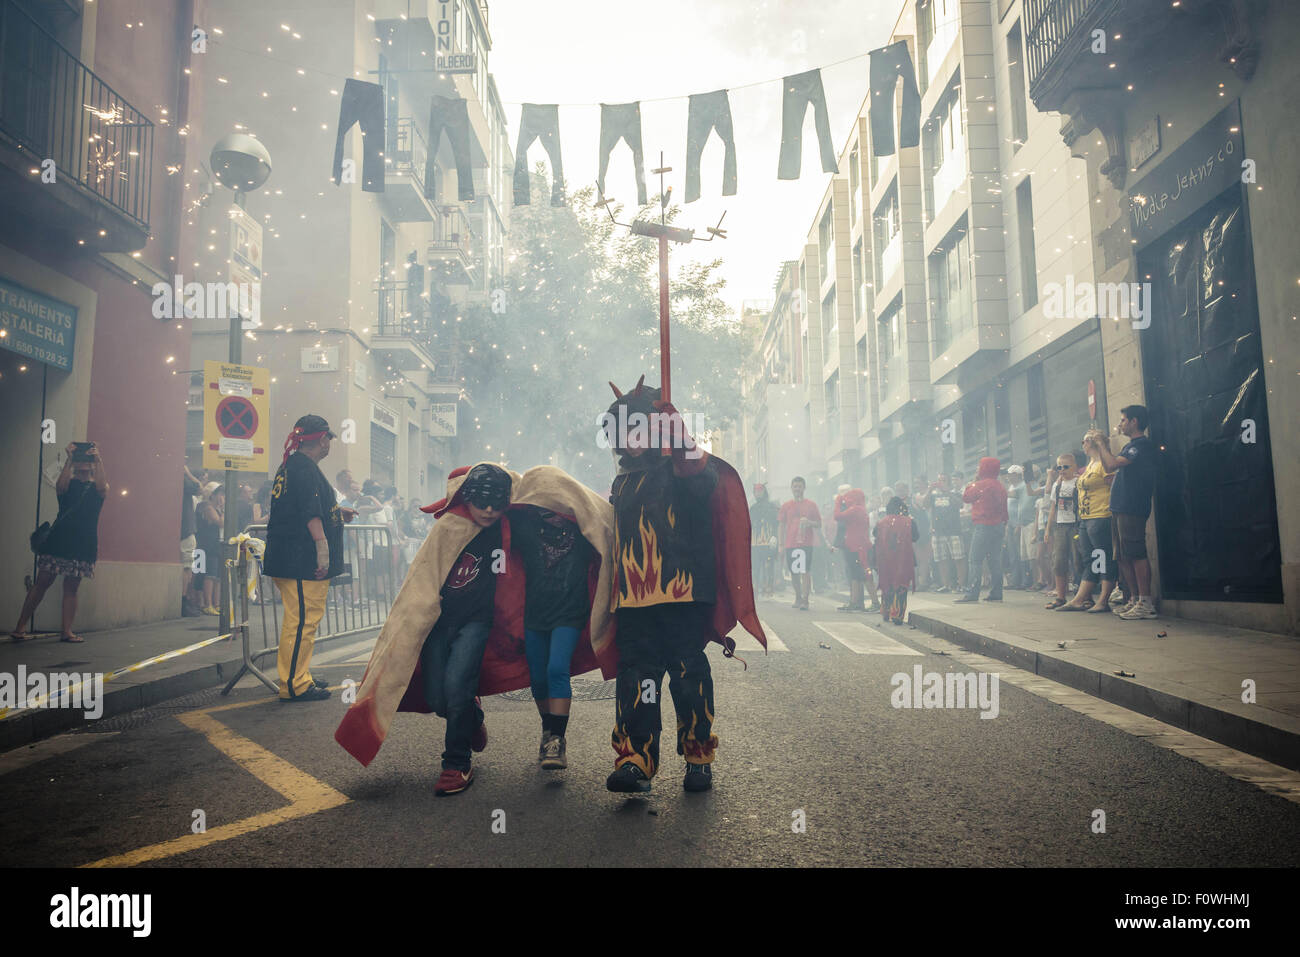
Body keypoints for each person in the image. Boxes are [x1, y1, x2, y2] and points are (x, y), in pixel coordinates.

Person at [334, 461, 618, 793]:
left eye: (496, 503)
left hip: (485, 622)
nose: (487, 510)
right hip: (441, 623)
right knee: (439, 697)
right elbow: (423, 579)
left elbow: (554, 493)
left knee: (459, 688)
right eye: (480, 501)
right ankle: (473, 718)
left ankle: (457, 763)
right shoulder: (454, 526)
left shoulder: (515, 522)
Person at [601, 377, 765, 795]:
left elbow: (702, 479)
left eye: (639, 428)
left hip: (683, 593)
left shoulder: (680, 467)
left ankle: (697, 755)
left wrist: (683, 439)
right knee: (637, 675)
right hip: (634, 599)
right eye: (624, 431)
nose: (630, 439)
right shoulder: (622, 480)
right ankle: (636, 757)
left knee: (687, 672)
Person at [261, 415, 356, 702]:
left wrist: (337, 514)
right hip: (301, 560)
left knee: (304, 621)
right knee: (301, 622)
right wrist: (323, 553)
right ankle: (294, 684)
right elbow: (309, 514)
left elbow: (305, 508)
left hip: (294, 557)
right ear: (321, 439)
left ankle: (299, 675)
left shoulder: (293, 465)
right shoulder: (303, 468)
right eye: (328, 438)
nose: (329, 445)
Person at [510, 503, 597, 770]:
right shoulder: (526, 528)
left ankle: (556, 741)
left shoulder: (583, 530)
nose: (553, 515)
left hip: (570, 612)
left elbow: (605, 526)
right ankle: (549, 731)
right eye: (546, 509)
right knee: (537, 676)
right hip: (535, 613)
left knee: (556, 669)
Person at [11, 442, 109, 642]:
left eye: (86, 459)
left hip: (83, 543)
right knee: (42, 582)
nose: (83, 463)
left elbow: (102, 487)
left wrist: (98, 459)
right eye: (80, 459)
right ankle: (20, 626)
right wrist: (70, 459)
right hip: (59, 540)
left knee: (72, 587)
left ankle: (67, 631)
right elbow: (60, 487)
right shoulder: (69, 482)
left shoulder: (98, 486)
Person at [1096, 405, 1159, 620]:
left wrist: (1102, 445)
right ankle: (1132, 598)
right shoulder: (1130, 446)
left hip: (1132, 506)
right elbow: (1108, 467)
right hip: (1120, 506)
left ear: (1134, 421)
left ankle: (1145, 601)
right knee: (1122, 556)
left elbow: (1112, 464)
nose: (1120, 424)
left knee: (1135, 553)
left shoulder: (1140, 445)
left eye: (1123, 420)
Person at [1057, 431, 1117, 613]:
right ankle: (1081, 597)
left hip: (1100, 515)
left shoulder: (1104, 463)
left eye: (1084, 441)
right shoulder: (1091, 463)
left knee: (1103, 557)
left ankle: (1103, 599)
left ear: (1092, 443)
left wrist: (1102, 444)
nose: (1082, 444)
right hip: (1086, 517)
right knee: (1090, 558)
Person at [954, 457, 1008, 603]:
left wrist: (973, 481)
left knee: (975, 559)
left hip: (983, 525)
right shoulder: (1000, 486)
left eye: (979, 466)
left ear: (985, 468)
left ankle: (972, 593)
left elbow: (966, 497)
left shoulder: (979, 484)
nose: (977, 469)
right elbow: (1004, 508)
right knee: (995, 560)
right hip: (998, 526)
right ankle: (997, 593)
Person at [874, 496, 918, 625]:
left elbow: (875, 535)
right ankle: (897, 615)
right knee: (901, 585)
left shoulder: (881, 522)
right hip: (904, 558)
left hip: (885, 559)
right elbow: (916, 537)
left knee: (887, 584)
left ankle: (886, 611)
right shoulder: (909, 521)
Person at [833, 488, 879, 613]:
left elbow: (837, 516)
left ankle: (875, 603)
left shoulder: (856, 509)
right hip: (855, 546)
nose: (846, 500)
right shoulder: (859, 509)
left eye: (849, 497)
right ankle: (854, 602)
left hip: (860, 548)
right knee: (855, 575)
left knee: (865, 576)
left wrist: (838, 501)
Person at [1042, 454, 1079, 609]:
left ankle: (1083, 596)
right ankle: (1061, 596)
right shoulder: (1057, 486)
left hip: (1076, 524)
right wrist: (1047, 529)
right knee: (1058, 562)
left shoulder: (1078, 482)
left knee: (1078, 561)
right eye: (1059, 467)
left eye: (1066, 466)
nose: (1062, 470)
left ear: (1074, 466)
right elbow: (1053, 508)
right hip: (1060, 526)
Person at [779, 476, 821, 611]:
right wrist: (780, 544)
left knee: (805, 571)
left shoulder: (811, 505)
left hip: (806, 543)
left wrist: (810, 523)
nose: (797, 489)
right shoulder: (786, 506)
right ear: (791, 488)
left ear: (804, 488)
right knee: (794, 572)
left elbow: (819, 523)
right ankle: (798, 596)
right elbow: (781, 525)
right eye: (795, 486)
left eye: (800, 486)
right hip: (791, 543)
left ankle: (805, 600)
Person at [926, 475, 964, 594]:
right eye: (939, 481)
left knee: (959, 558)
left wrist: (947, 492)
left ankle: (961, 585)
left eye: (943, 480)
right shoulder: (933, 496)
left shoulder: (955, 493)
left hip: (953, 530)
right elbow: (925, 505)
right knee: (941, 559)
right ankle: (946, 585)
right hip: (938, 531)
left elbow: (960, 504)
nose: (940, 483)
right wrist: (929, 490)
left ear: (948, 483)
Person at [194, 483, 225, 616]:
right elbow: (221, 522)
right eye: (220, 494)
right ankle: (208, 604)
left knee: (217, 576)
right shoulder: (205, 506)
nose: (222, 497)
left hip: (215, 545)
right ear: (212, 495)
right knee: (208, 575)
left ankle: (216, 604)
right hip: (205, 545)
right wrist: (224, 509)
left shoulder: (216, 508)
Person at [749, 484, 780, 597]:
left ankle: (768, 588)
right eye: (756, 491)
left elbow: (777, 523)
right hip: (755, 542)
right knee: (756, 567)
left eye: (760, 490)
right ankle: (755, 588)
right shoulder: (752, 508)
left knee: (768, 565)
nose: (758, 493)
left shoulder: (772, 507)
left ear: (764, 492)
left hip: (768, 541)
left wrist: (775, 537)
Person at [181, 465, 202, 617]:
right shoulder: (184, 481)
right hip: (186, 529)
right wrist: (188, 472)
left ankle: (184, 600)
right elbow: (199, 488)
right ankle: (183, 601)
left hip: (180, 529)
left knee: (187, 567)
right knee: (187, 568)